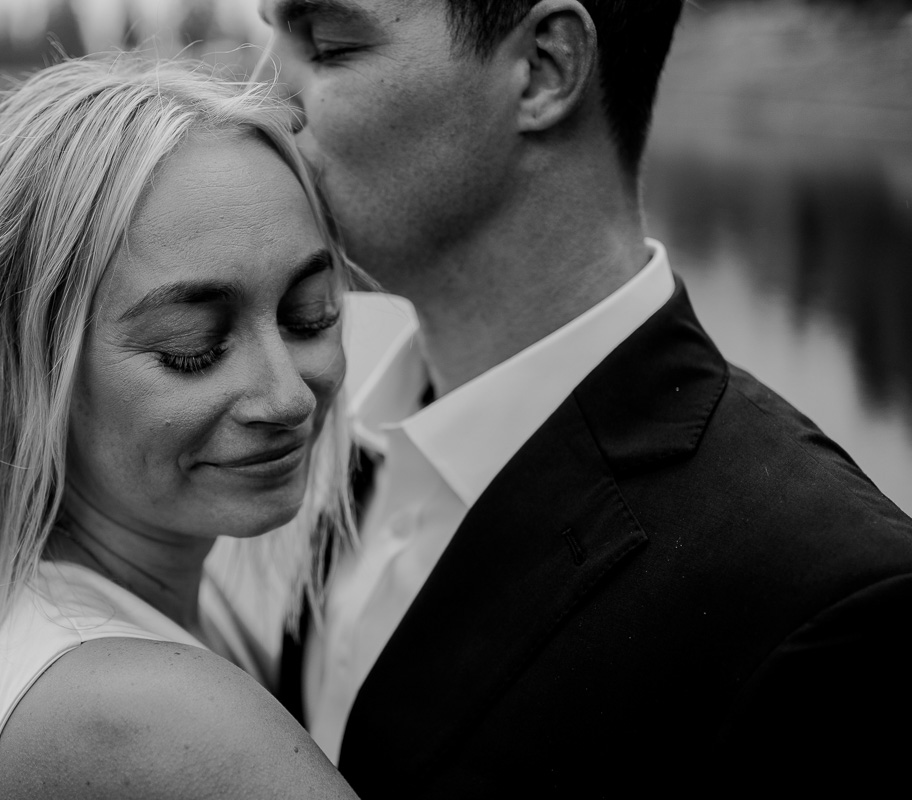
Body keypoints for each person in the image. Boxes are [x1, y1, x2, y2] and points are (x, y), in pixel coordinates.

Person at [260, 0, 912, 795]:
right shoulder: (346, 428)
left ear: (544, 68)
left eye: (327, 49)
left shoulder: (832, 602)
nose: (263, 103)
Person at [0, 57, 362, 800]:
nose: (288, 396)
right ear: (28, 372)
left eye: (310, 315)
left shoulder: (54, 622)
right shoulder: (139, 715)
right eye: (192, 345)